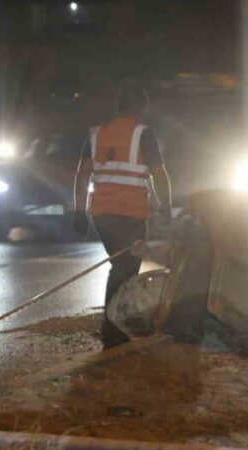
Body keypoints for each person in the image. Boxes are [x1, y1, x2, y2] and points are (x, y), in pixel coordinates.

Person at [73, 86, 172, 348]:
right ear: (142, 109)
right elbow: (159, 174)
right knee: (124, 267)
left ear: (119, 108)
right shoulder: (144, 134)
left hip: (102, 214)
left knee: (124, 267)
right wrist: (166, 206)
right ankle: (112, 329)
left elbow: (83, 175)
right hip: (132, 214)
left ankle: (115, 326)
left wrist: (79, 211)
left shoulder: (97, 134)